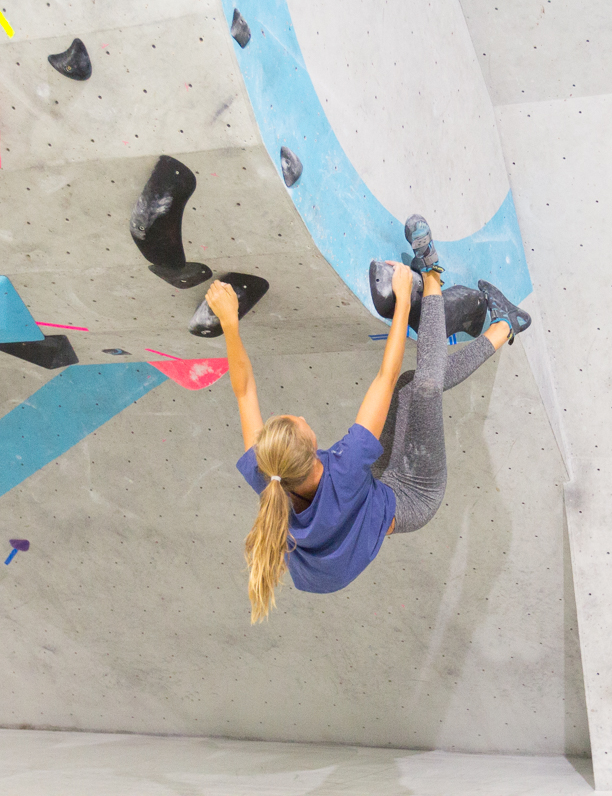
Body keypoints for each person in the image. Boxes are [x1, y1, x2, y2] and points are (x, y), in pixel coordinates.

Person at [207, 216, 531, 623]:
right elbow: (385, 373)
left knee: (415, 386)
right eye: (301, 422)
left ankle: (506, 326)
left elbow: (244, 390)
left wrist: (229, 323)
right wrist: (402, 299)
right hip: (414, 495)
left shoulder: (269, 471)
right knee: (424, 386)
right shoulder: (344, 468)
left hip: (366, 495)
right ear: (313, 451)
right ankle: (432, 272)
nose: (304, 416)